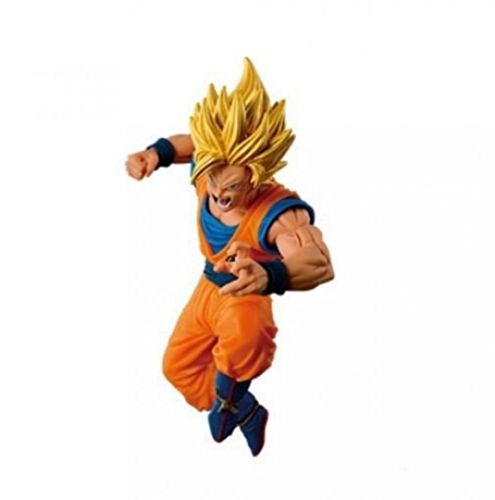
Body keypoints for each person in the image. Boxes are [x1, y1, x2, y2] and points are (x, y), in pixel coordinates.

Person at [126, 58, 334, 456]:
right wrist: (155, 153)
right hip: (207, 287)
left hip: (245, 293)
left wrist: (271, 275)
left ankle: (229, 398)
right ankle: (245, 409)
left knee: (242, 342)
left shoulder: (278, 212)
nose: (219, 194)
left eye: (232, 187)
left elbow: (319, 261)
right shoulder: (211, 169)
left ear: (255, 176)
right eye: (213, 180)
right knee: (178, 368)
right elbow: (190, 144)